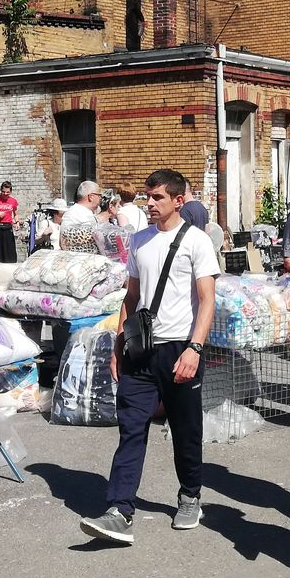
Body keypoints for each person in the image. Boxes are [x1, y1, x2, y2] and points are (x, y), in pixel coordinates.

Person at [79, 168, 220, 546]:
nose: (150, 204)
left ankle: (190, 494)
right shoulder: (139, 241)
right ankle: (119, 510)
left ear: (177, 200)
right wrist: (117, 345)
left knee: (186, 430)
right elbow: (131, 298)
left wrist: (195, 348)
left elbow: (207, 301)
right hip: (141, 350)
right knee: (131, 427)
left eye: (157, 197)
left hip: (180, 348)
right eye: (147, 197)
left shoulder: (196, 242)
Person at [0, 181, 20, 264]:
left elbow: (16, 213)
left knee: (9, 251)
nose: (5, 194)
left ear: (10, 192)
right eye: (3, 192)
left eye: (7, 192)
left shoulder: (13, 201)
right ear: (1, 190)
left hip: (8, 227)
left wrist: (17, 222)